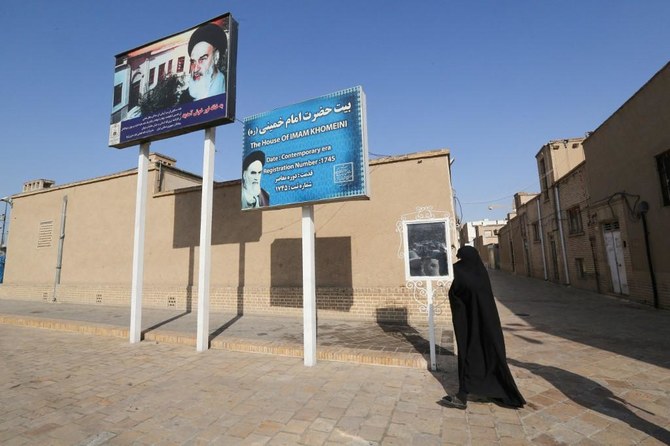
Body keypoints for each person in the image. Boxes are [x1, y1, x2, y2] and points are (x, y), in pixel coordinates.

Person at [440, 246, 526, 410]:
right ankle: (494, 389)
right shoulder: (481, 272)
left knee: (468, 355)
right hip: (488, 325)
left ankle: (462, 396)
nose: (459, 261)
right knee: (489, 355)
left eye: (460, 258)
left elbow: (457, 293)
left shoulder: (460, 271)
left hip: (468, 324)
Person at [180, 23, 227, 103]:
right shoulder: (185, 98)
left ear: (216, 57)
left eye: (202, 59)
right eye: (193, 62)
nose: (195, 69)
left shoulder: (228, 85)